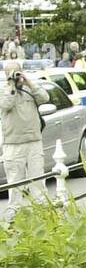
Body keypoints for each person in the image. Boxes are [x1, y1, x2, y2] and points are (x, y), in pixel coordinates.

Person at [0, 60, 49, 203]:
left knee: (38, 181)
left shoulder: (30, 89)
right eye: (10, 72)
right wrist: (11, 86)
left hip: (34, 141)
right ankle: (15, 215)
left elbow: (45, 98)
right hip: (14, 144)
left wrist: (28, 82)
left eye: (16, 71)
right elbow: (6, 104)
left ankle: (43, 211)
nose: (14, 75)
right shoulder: (4, 91)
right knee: (15, 184)